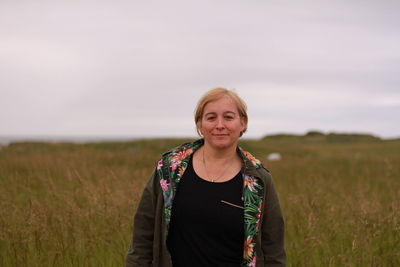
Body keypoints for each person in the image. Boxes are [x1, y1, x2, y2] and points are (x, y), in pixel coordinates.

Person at [125, 88, 286, 267]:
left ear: (243, 123)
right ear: (200, 125)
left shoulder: (258, 180)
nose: (219, 125)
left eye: (228, 117)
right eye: (211, 117)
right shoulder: (169, 169)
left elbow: (274, 250)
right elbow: (143, 236)